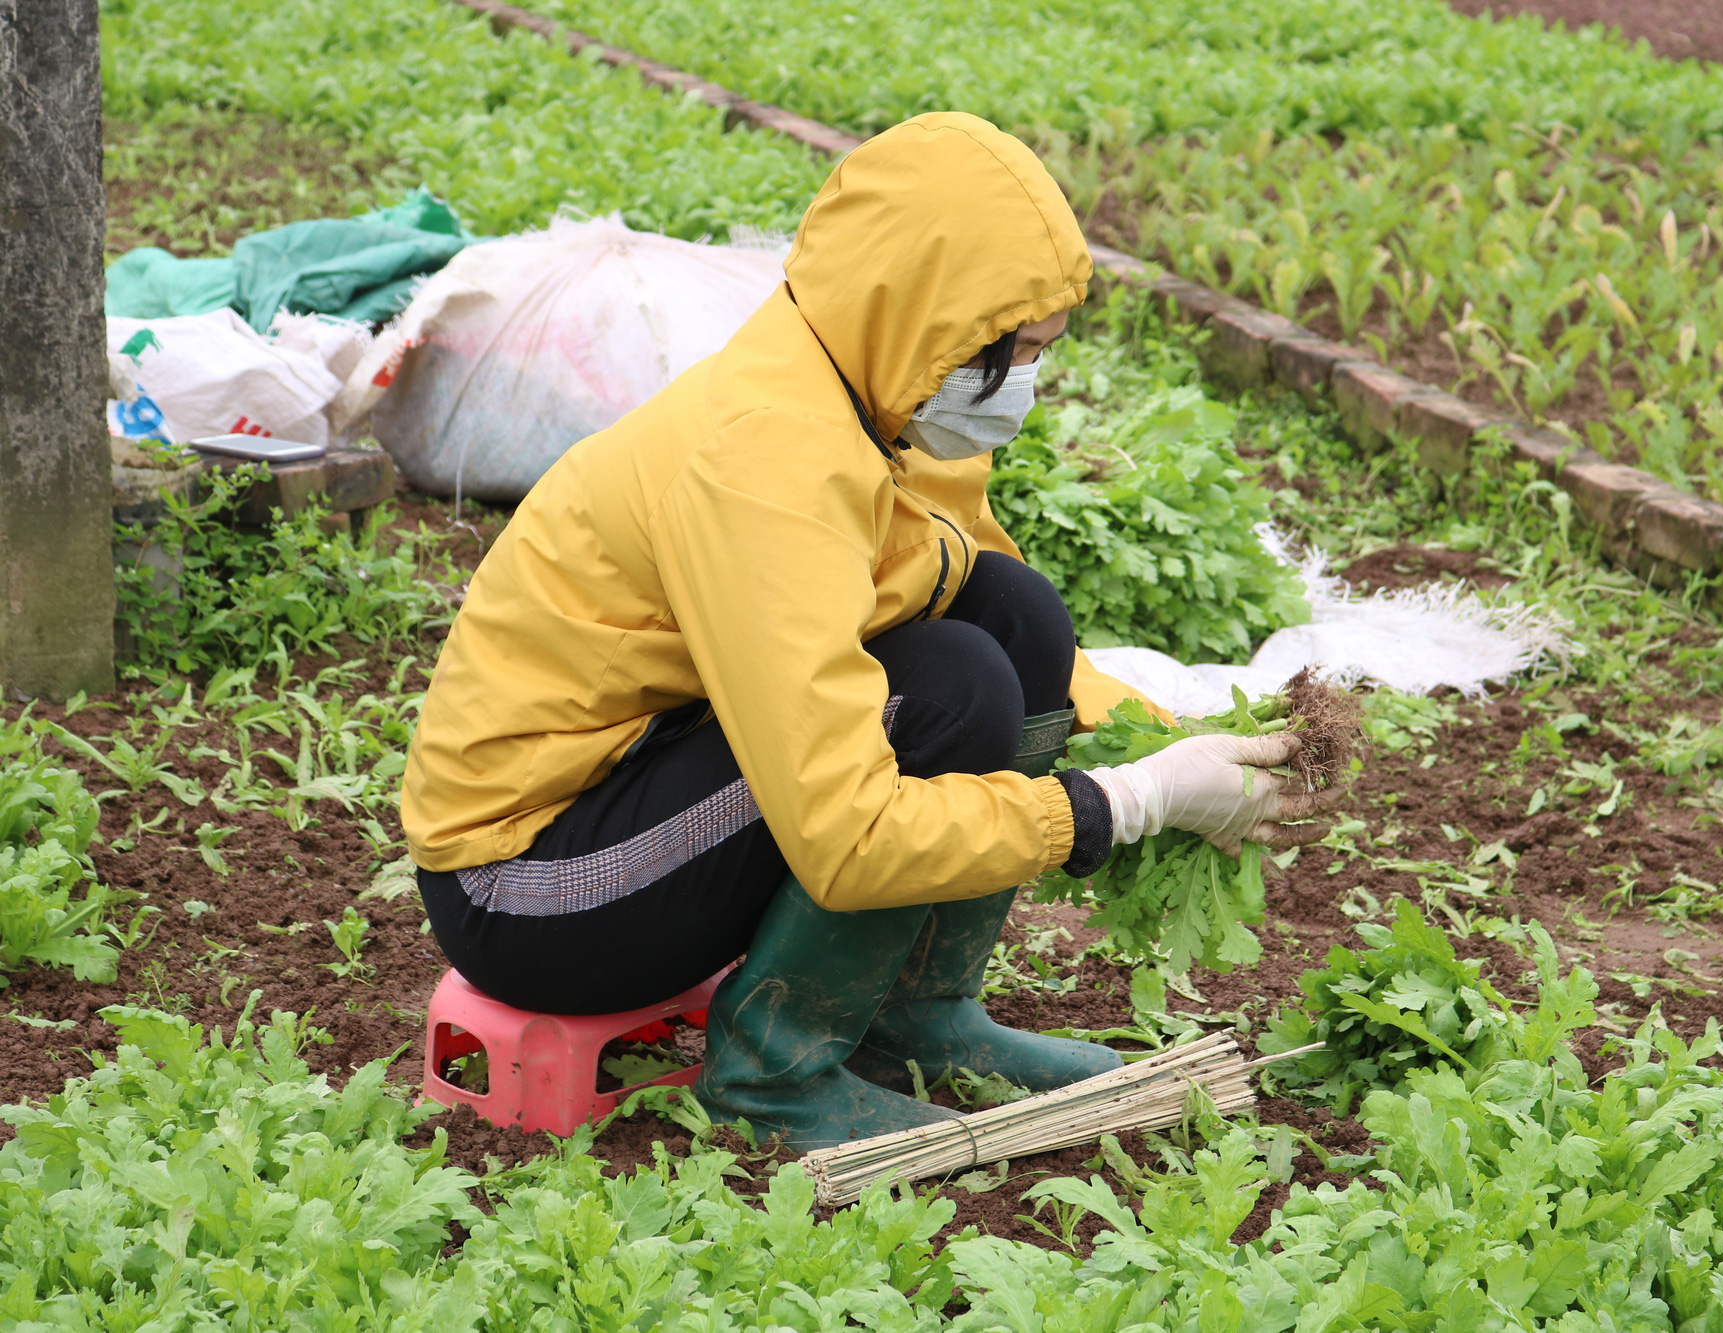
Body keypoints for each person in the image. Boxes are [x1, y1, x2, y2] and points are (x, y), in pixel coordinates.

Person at [401, 112, 1343, 1149]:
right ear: (929, 325)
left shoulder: (878, 392)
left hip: (645, 780)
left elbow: (983, 586)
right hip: (529, 885)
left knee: (1008, 617)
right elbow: (845, 834)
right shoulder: (767, 462)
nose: (1029, 380)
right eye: (1020, 351)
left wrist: (1149, 728)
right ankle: (772, 1073)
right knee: (947, 687)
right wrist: (1128, 801)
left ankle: (915, 1013)